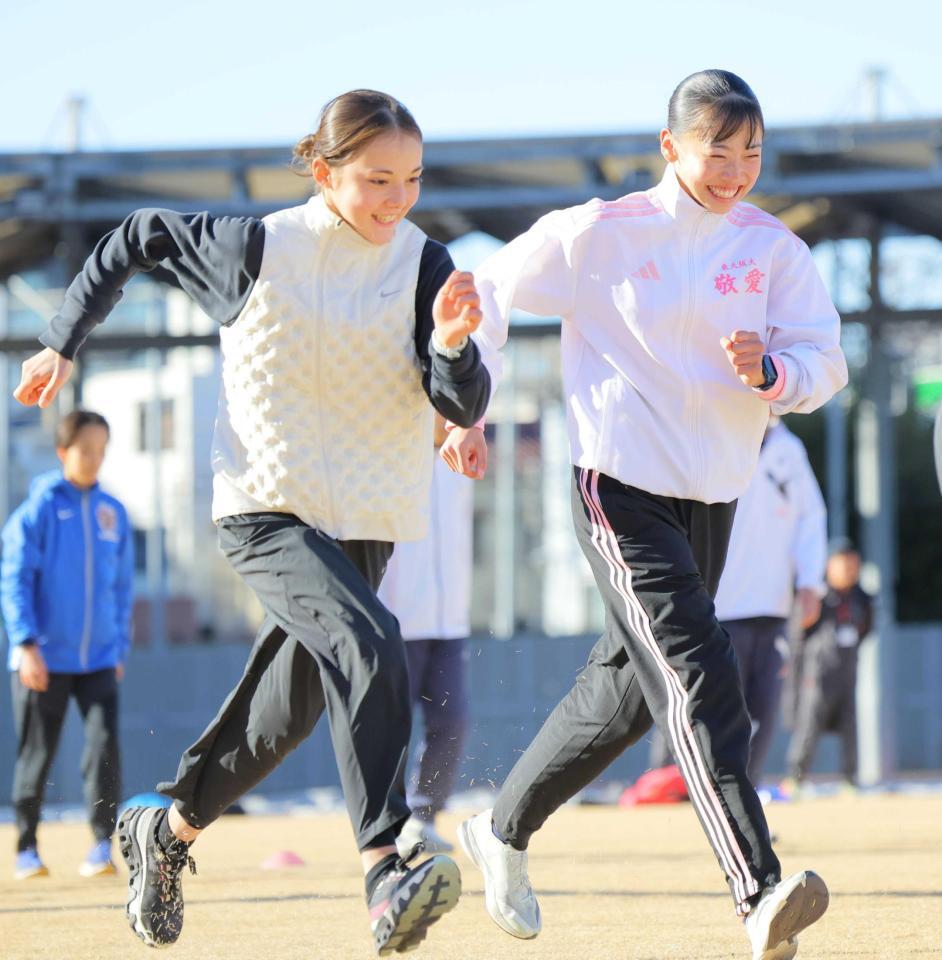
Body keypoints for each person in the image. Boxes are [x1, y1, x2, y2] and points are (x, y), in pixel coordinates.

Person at [13, 89, 490, 956]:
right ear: (324, 169)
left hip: (364, 517)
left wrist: (456, 357)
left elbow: (458, 391)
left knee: (284, 717)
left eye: (411, 179)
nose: (397, 200)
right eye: (377, 179)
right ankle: (386, 865)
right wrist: (62, 338)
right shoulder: (256, 247)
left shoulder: (424, 264)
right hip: (265, 506)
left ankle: (166, 831)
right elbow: (135, 235)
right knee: (372, 641)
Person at [456, 70, 847, 960]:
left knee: (628, 695)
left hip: (712, 496)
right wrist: (465, 406)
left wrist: (772, 373)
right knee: (703, 675)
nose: (737, 171)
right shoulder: (601, 232)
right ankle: (757, 889)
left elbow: (826, 360)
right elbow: (491, 287)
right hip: (618, 487)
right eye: (720, 150)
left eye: (752, 153)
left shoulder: (773, 248)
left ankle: (500, 828)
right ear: (671, 146)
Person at [648, 417, 828, 787]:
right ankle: (670, 787)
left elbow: (811, 518)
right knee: (704, 706)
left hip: (774, 607)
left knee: (762, 710)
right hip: (717, 605)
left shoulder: (789, 450)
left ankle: (746, 792)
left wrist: (811, 582)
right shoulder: (710, 433)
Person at [1, 410, 133, 880]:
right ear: (63, 453)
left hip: (99, 658)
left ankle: (102, 845)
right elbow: (13, 578)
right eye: (85, 450)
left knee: (103, 748)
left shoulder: (113, 512)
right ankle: (26, 848)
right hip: (42, 657)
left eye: (101, 450)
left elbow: (121, 589)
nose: (94, 459)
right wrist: (27, 644)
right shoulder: (38, 510)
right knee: (36, 753)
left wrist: (118, 647)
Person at [377, 413, 478, 856]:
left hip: (449, 617)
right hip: (398, 618)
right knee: (389, 729)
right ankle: (386, 824)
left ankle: (423, 817)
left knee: (452, 720)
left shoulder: (464, 452)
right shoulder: (391, 450)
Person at [785, 538, 873, 793]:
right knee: (808, 725)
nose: (848, 568)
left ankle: (850, 779)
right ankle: (796, 779)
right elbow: (798, 633)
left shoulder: (862, 597)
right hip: (818, 671)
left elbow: (866, 629)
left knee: (850, 725)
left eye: (852, 562)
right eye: (842, 562)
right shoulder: (818, 596)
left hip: (848, 670)